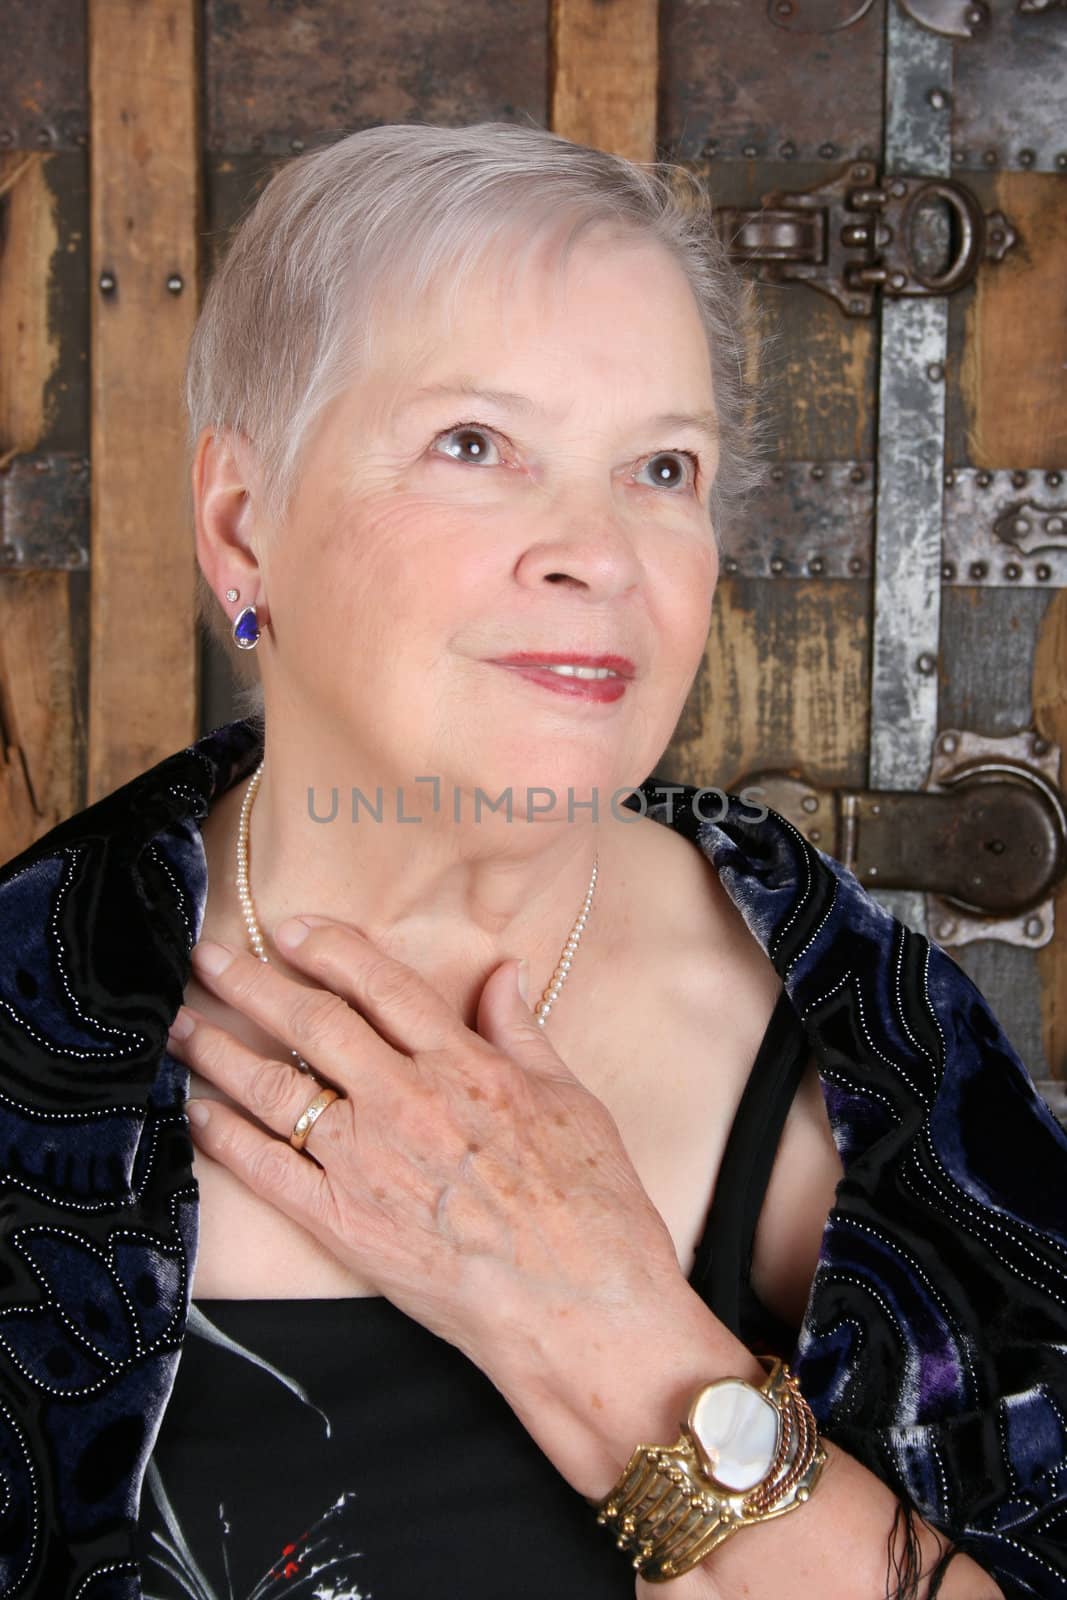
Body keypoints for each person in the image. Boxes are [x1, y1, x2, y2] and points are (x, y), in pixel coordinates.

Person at [0, 120, 1064, 1600]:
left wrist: (612, 1331)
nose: (599, 551)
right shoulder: (24, 1026)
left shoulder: (858, 1044)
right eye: (475, 444)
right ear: (243, 528)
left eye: (662, 467)